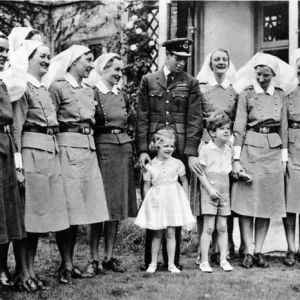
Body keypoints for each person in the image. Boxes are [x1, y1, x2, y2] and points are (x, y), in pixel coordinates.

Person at [136, 38, 203, 270]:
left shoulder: (191, 83)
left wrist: (191, 151)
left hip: (179, 148)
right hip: (155, 148)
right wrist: (143, 149)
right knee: (153, 200)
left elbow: (195, 119)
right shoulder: (148, 80)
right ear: (167, 56)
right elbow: (142, 116)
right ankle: (151, 261)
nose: (181, 63)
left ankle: (173, 261)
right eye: (177, 58)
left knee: (175, 202)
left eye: (185, 59)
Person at [45, 45, 109, 283]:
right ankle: (66, 263)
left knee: (87, 208)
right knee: (68, 208)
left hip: (88, 148)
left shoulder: (90, 90)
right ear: (73, 61)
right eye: (88, 59)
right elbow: (50, 122)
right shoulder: (58, 87)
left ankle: (72, 262)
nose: (92, 64)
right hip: (66, 149)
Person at [12, 40, 70, 289]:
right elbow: (16, 126)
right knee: (28, 218)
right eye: (42, 56)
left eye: (49, 57)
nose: (47, 60)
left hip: (48, 152)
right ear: (28, 58)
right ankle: (24, 274)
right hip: (30, 153)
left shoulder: (42, 88)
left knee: (38, 219)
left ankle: (30, 272)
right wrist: (18, 165)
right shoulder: (21, 86)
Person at [231, 53, 294, 269]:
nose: (261, 78)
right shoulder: (246, 94)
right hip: (250, 148)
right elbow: (239, 126)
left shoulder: (280, 94)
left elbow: (284, 127)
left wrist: (284, 157)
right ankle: (247, 251)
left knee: (266, 204)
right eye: (258, 74)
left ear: (273, 75)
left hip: (274, 151)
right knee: (247, 202)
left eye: (266, 75)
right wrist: (236, 159)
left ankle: (259, 251)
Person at [85, 53, 137, 274]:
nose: (118, 74)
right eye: (115, 69)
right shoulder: (93, 93)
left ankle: (109, 256)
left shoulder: (122, 95)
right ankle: (93, 258)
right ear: (103, 69)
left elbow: (130, 121)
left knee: (115, 206)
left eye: (121, 70)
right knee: (99, 204)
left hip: (123, 148)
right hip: (102, 147)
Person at [190, 49, 241, 265]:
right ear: (210, 64)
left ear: (229, 64)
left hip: (227, 146)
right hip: (206, 145)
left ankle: (225, 249)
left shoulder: (234, 91)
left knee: (225, 196)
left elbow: (237, 121)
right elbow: (194, 120)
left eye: (224, 60)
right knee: (206, 198)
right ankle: (204, 252)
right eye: (216, 59)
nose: (221, 63)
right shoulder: (201, 89)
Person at [0, 31, 37, 293]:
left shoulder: (4, 83)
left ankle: (2, 268)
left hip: (3, 147)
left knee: (5, 212)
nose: (3, 54)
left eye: (5, 49)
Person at [135, 128, 195, 274]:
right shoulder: (149, 165)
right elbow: (147, 185)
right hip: (157, 202)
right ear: (156, 146)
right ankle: (153, 263)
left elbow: (184, 180)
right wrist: (147, 202)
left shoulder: (178, 163)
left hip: (173, 201)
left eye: (172, 146)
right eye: (166, 146)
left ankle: (171, 264)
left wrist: (185, 199)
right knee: (156, 233)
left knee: (171, 233)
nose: (170, 149)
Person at [198, 112, 236, 273]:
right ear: (212, 132)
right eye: (222, 129)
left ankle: (223, 259)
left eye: (228, 128)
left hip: (224, 192)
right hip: (209, 191)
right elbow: (201, 173)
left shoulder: (229, 150)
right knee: (208, 228)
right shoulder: (206, 149)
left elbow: (229, 172)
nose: (226, 131)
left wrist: (243, 174)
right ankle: (204, 261)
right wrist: (210, 189)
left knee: (222, 227)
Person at [283, 48, 300, 266]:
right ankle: (290, 248)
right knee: (290, 201)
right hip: (293, 147)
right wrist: (284, 156)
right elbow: (284, 126)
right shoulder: (288, 91)